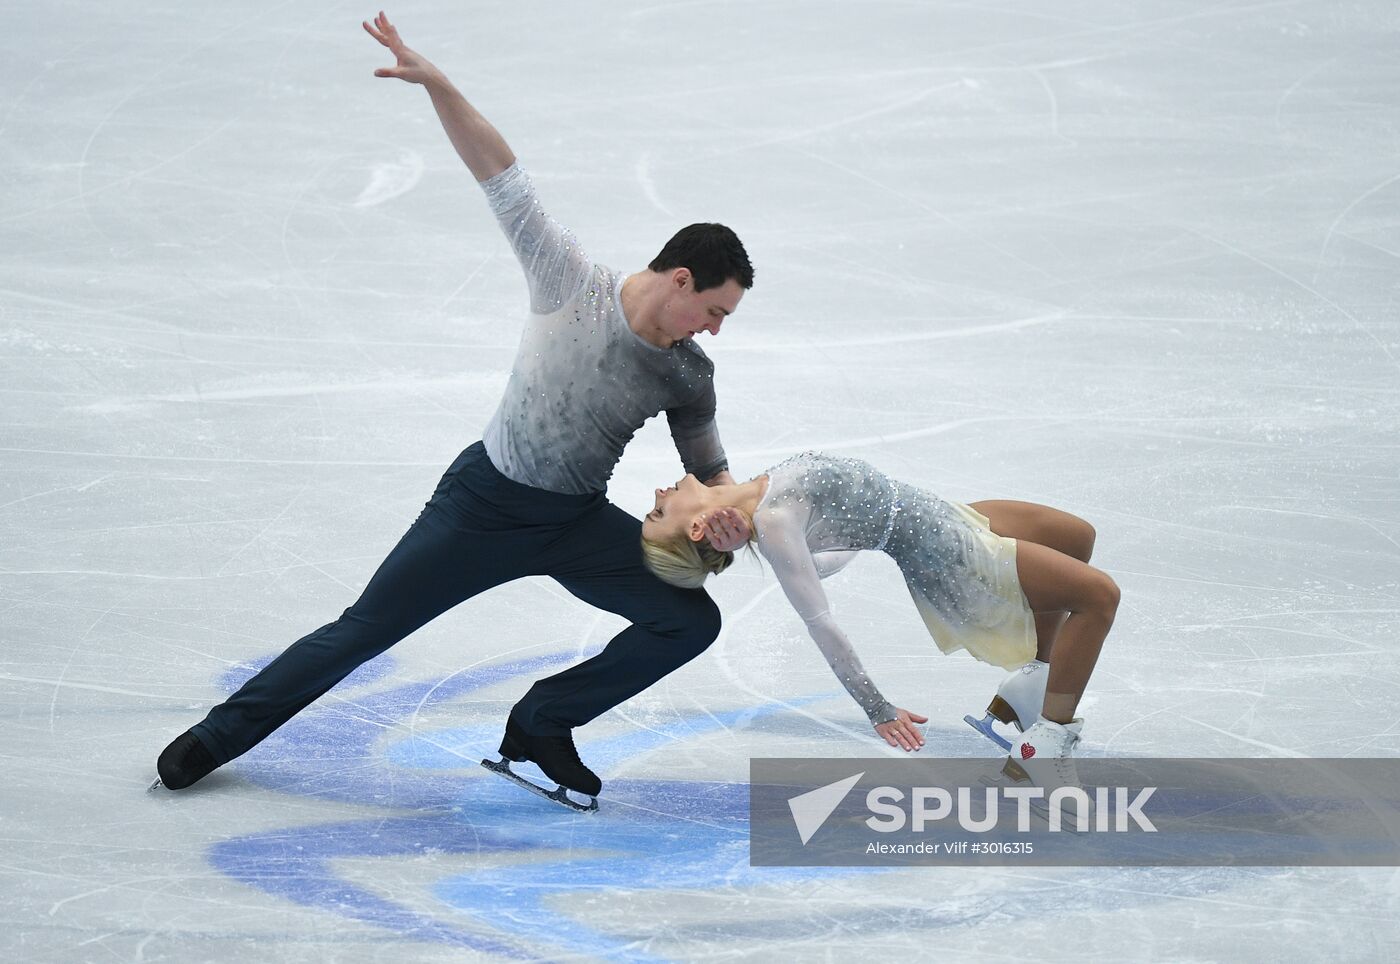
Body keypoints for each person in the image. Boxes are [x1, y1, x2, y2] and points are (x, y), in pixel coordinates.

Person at [155, 11, 755, 809]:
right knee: (361, 631)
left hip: (575, 522)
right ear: (680, 279)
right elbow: (503, 177)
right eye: (714, 310)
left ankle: (544, 720)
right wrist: (438, 83)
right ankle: (218, 737)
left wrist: (729, 514)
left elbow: (709, 471)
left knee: (690, 622)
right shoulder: (570, 281)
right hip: (480, 506)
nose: (716, 329)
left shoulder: (689, 372)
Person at [638, 452, 1120, 792]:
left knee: (1076, 537)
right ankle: (1045, 748)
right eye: (660, 512)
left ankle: (1032, 686)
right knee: (1098, 597)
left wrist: (783, 541)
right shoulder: (774, 522)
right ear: (696, 528)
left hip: (947, 515)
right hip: (951, 555)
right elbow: (821, 622)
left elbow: (821, 559)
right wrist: (877, 708)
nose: (660, 492)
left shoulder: (753, 502)